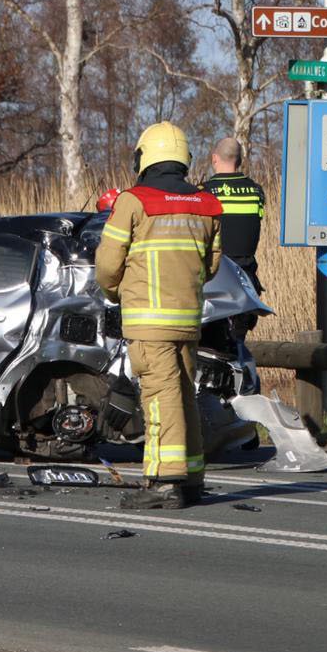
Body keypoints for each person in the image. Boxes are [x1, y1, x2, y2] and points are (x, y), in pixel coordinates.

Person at [95, 121, 222, 510]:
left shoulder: (134, 202)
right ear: (184, 158)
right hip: (187, 319)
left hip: (149, 322)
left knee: (158, 397)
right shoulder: (207, 205)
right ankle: (193, 478)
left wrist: (116, 291)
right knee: (183, 396)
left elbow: (107, 265)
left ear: (144, 157)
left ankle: (165, 482)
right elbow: (212, 265)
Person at [201, 137, 267, 294]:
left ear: (214, 158)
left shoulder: (204, 193)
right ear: (240, 160)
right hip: (247, 282)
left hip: (214, 282)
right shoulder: (256, 192)